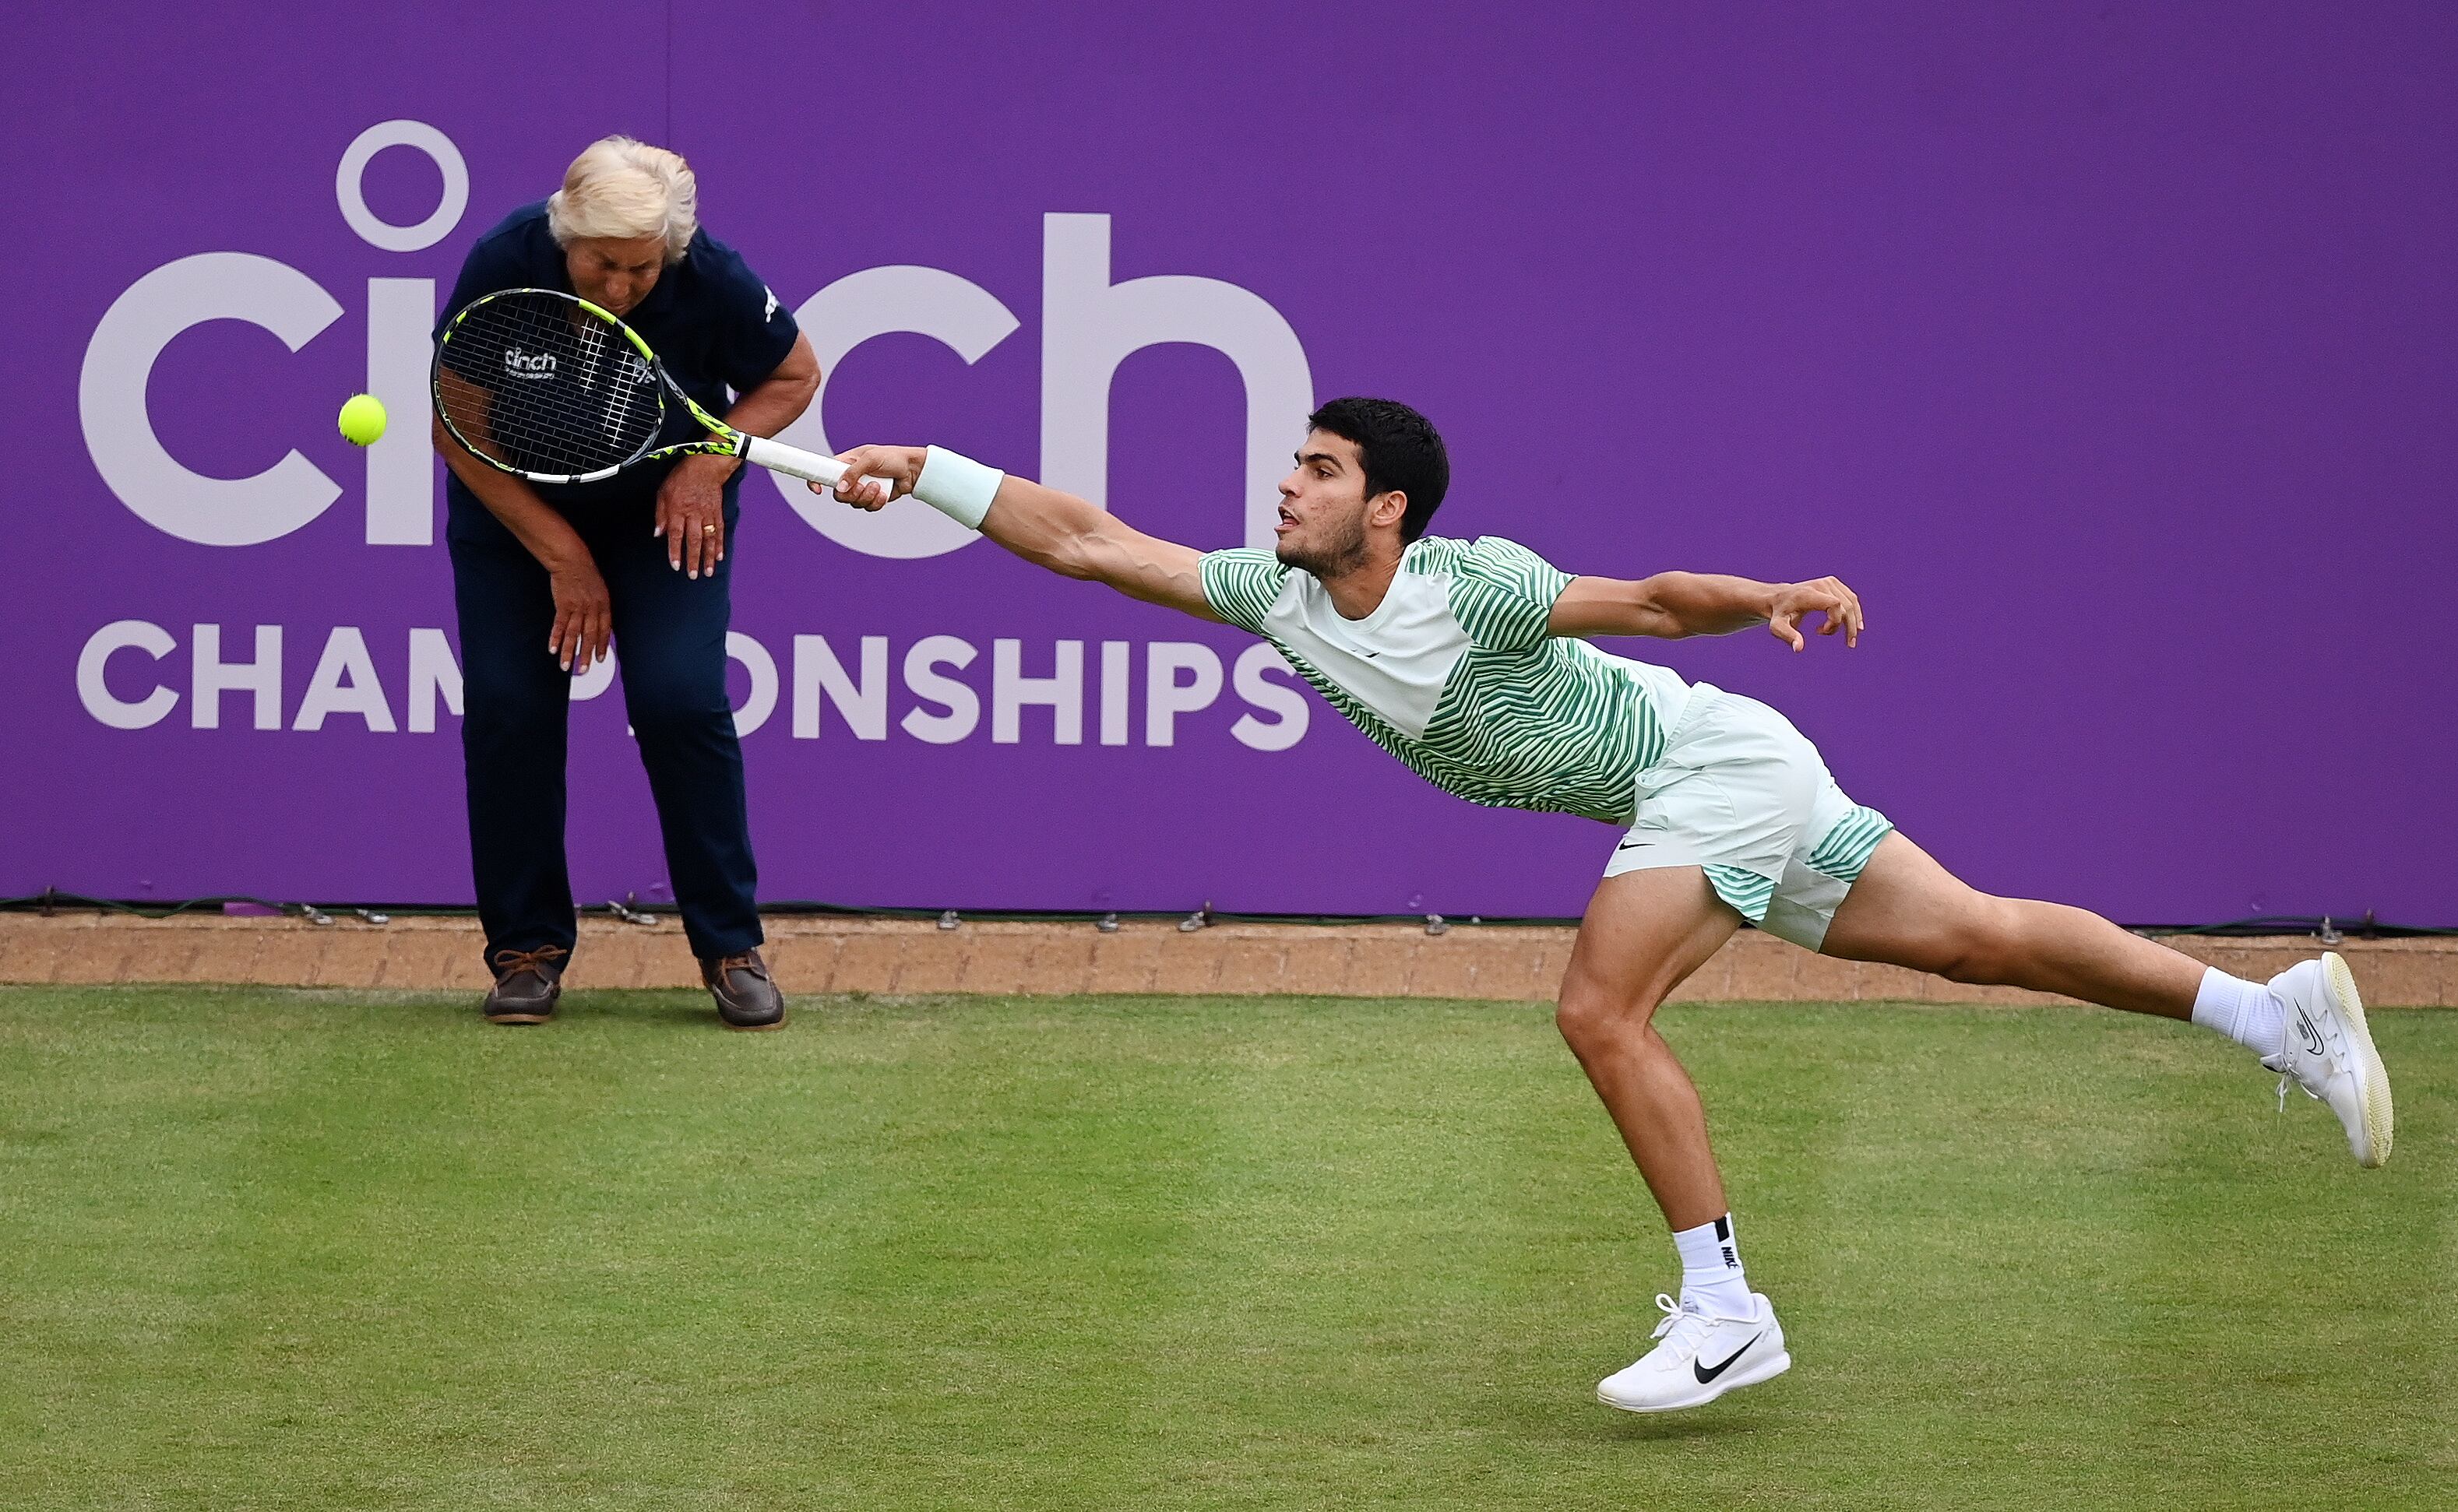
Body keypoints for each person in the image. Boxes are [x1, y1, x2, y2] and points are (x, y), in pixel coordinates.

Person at [815, 397, 2393, 1411]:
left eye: (1317, 469)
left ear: (1390, 510)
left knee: (1595, 1005)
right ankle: (2272, 1006)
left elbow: (1647, 602)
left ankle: (1725, 1304)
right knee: (1976, 936)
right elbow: (1089, 542)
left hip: (1710, 767)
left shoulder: (1471, 582)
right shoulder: (1277, 598)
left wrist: (1768, 596)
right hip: (1716, 782)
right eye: (1291, 463)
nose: (1283, 486)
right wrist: (932, 468)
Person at [431, 136, 810, 1030]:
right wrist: (564, 557)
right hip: (516, 513)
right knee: (510, 711)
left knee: (682, 703)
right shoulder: (504, 260)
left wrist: (708, 465)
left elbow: (792, 375)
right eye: (602, 264)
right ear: (566, 236)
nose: (619, 286)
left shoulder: (707, 271)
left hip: (665, 512)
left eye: (641, 270)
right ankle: (525, 952)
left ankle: (729, 946)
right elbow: (456, 428)